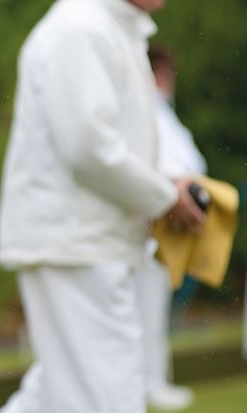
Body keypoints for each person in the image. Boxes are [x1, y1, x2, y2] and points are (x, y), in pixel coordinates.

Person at [0, 0, 205, 412]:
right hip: (75, 244)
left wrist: (170, 180)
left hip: (90, 242)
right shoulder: (81, 28)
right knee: (108, 399)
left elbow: (115, 139)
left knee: (55, 397)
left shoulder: (109, 27)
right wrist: (165, 197)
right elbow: (88, 147)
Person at [133, 43, 207, 411]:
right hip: (144, 234)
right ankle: (148, 385)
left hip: (159, 233)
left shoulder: (158, 113)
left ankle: (153, 382)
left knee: (151, 314)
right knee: (141, 316)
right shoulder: (146, 112)